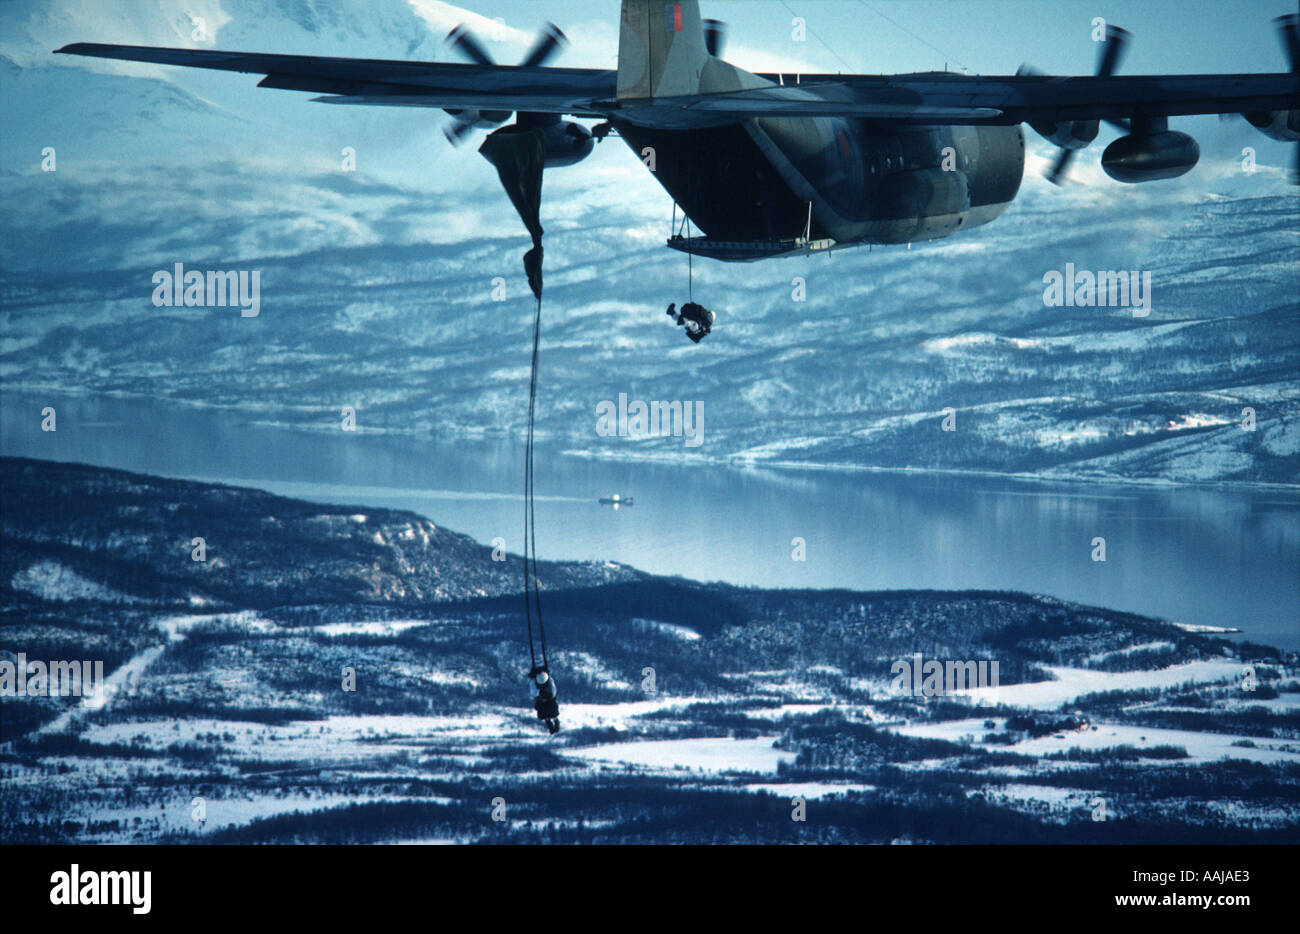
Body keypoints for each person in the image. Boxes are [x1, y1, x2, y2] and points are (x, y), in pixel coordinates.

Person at [531, 668, 560, 734]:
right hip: (544, 702)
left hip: (549, 701)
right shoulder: (534, 682)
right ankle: (551, 726)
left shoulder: (549, 680)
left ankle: (555, 723)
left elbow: (553, 690)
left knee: (552, 714)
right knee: (545, 715)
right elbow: (534, 692)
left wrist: (548, 697)